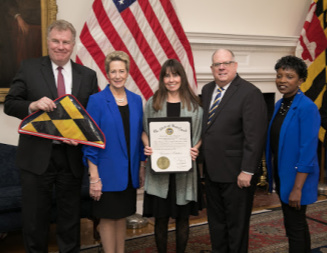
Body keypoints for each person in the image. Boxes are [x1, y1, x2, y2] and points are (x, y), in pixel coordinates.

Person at [4, 20, 98, 252]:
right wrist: (33, 105)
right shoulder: (29, 67)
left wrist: (83, 135)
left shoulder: (88, 75)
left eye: (66, 42)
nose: (60, 46)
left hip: (71, 157)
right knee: (35, 222)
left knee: (70, 221)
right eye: (55, 41)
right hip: (36, 158)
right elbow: (10, 104)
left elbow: (92, 117)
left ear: (73, 44)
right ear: (48, 42)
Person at [201, 49, 267, 253]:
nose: (221, 67)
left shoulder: (250, 92)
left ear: (235, 66)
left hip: (237, 173)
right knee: (216, 224)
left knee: (236, 227)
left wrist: (247, 170)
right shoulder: (207, 89)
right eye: (217, 64)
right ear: (212, 69)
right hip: (212, 172)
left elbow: (255, 136)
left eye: (226, 63)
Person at [82, 51, 145, 253]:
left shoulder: (136, 100)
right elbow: (91, 140)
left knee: (121, 217)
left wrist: (141, 167)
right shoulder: (97, 100)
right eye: (113, 71)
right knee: (108, 218)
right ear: (107, 74)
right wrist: (94, 177)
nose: (117, 76)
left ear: (127, 73)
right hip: (106, 173)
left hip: (129, 174)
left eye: (121, 71)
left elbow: (138, 136)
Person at [142, 59, 203, 253]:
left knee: (182, 219)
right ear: (162, 79)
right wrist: (148, 146)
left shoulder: (194, 106)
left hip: (184, 173)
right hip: (159, 172)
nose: (171, 80)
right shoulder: (154, 102)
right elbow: (145, 131)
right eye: (166, 75)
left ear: (181, 77)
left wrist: (196, 148)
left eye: (175, 75)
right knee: (160, 220)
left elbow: (200, 135)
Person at [265, 55, 320, 253]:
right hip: (282, 177)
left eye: (289, 76)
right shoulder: (280, 105)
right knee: (294, 225)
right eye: (279, 75)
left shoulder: (307, 107)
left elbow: (308, 151)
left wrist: (297, 188)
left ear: (301, 80)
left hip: (298, 179)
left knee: (295, 227)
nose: (282, 80)